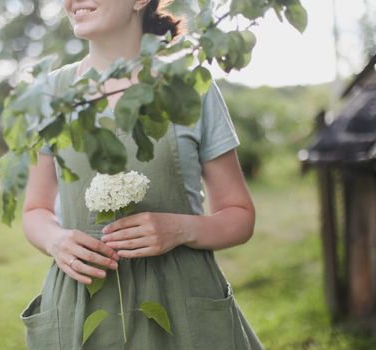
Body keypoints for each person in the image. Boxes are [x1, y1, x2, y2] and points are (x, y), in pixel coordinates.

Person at [20, 0, 264, 349]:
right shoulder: (50, 97)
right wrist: (55, 240)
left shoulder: (190, 87)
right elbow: (34, 211)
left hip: (182, 309)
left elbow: (240, 216)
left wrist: (181, 228)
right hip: (82, 309)